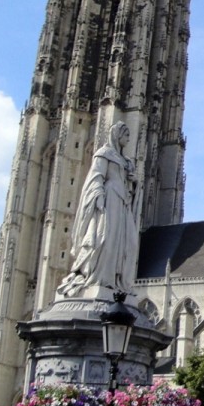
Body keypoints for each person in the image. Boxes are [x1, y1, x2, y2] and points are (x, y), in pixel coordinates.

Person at [57, 120, 140, 298]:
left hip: (122, 204)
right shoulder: (104, 154)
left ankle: (115, 280)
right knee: (104, 238)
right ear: (117, 135)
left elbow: (131, 187)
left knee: (129, 243)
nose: (128, 138)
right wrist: (99, 199)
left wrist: (133, 182)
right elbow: (95, 178)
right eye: (126, 135)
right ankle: (98, 277)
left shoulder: (125, 162)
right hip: (108, 201)